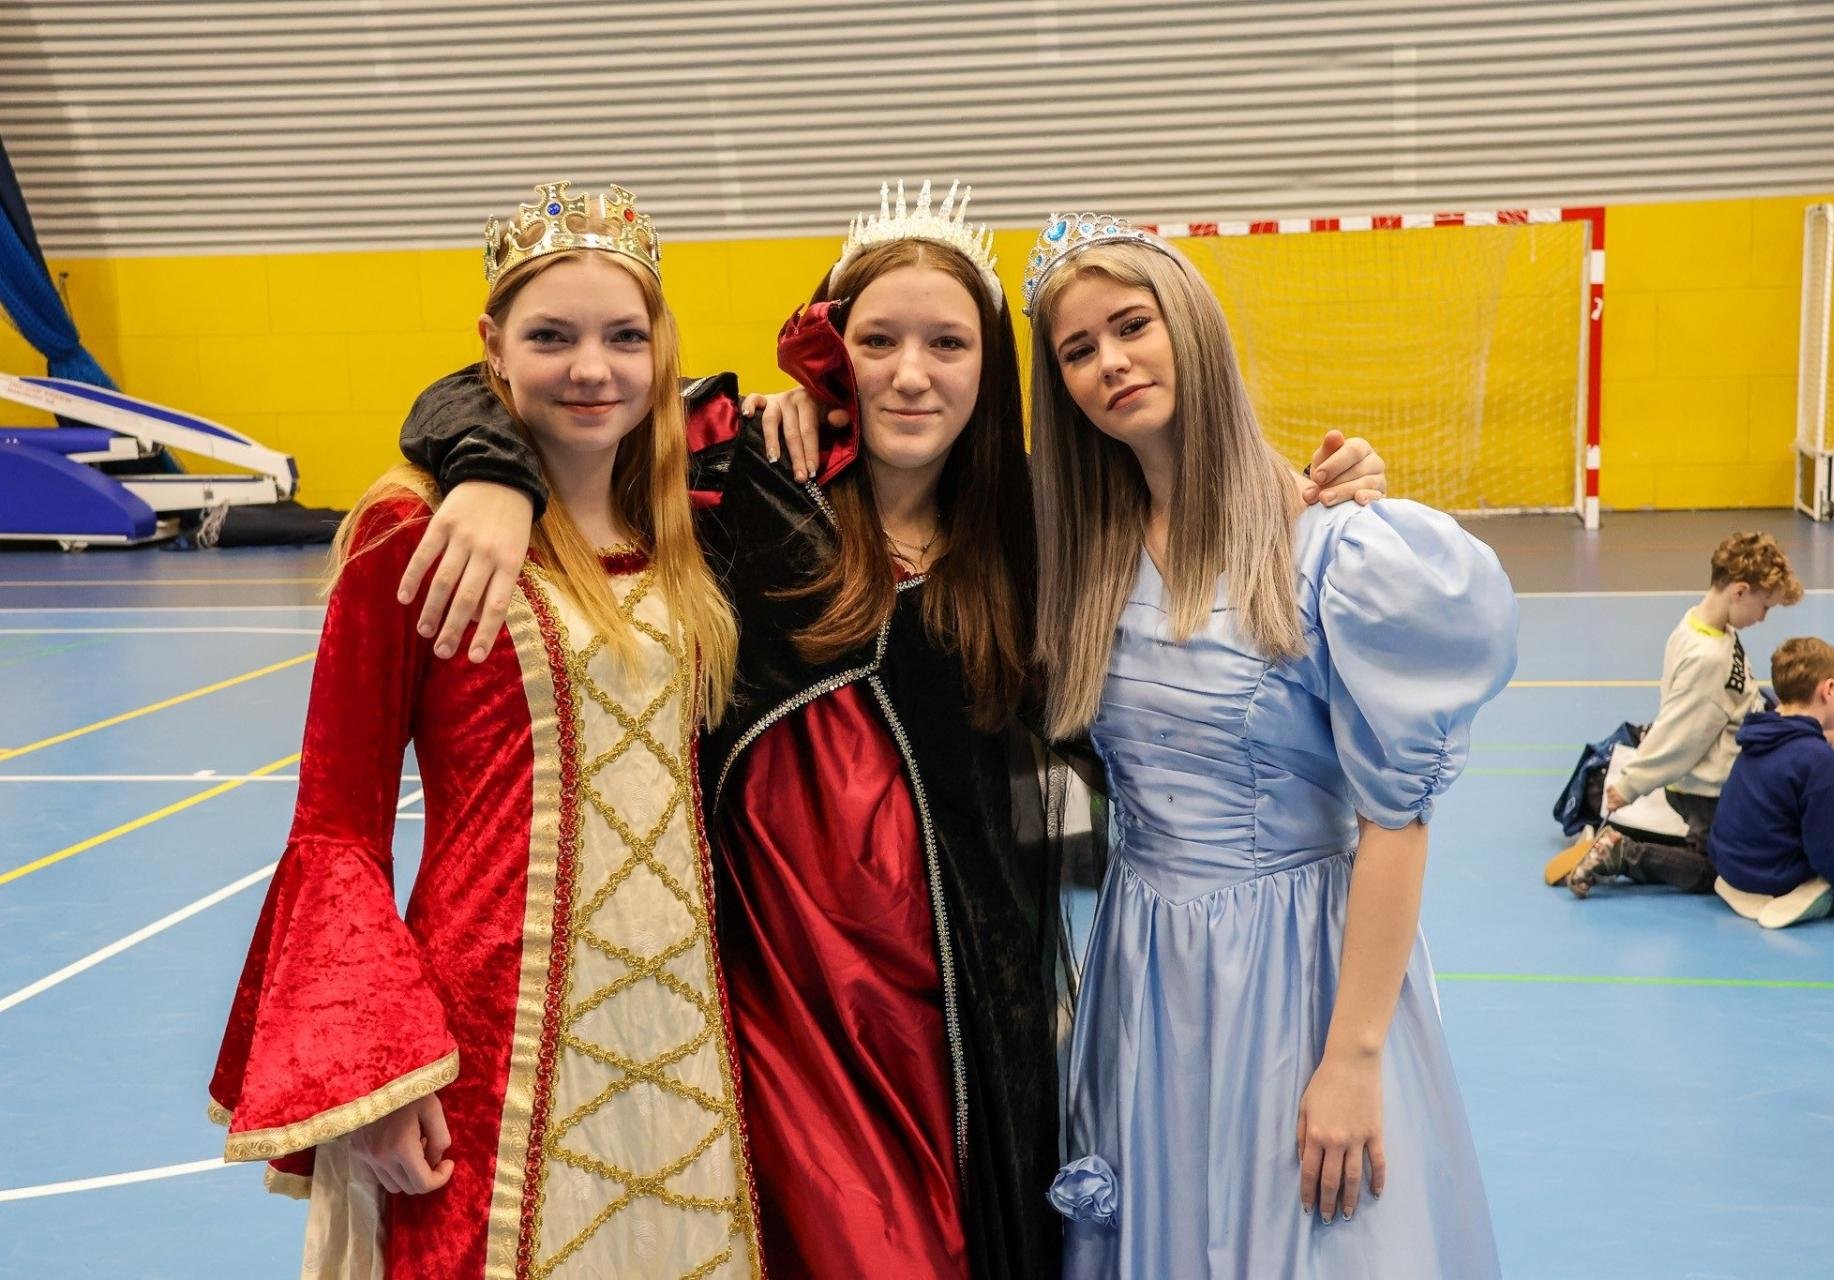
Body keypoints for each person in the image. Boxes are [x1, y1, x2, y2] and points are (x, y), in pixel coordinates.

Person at [390, 181, 1390, 1278]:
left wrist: (1324, 486)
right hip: (804, 1026)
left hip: (986, 1026)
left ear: (991, 370)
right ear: (832, 352)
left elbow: (1180, 481)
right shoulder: (748, 486)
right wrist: (488, 466)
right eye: (877, 341)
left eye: (948, 343)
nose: (911, 373)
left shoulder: (1038, 537)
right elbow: (556, 387)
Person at [209, 184, 757, 1277]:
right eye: (551, 336)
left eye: (625, 337)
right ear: (492, 347)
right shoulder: (408, 529)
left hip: (686, 1024)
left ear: (662, 350)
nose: (592, 369)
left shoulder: (692, 524)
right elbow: (337, 827)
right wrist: (383, 1069)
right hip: (489, 1035)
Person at [1022, 215, 1515, 1278]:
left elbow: (1396, 820)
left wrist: (1353, 1056)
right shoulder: (1083, 558)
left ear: (1190, 326)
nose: (1111, 363)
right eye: (1077, 349)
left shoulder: (1329, 544)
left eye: (1132, 325)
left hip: (1296, 970)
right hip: (1145, 967)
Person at [1560, 532, 1803, 898]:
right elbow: (1679, 736)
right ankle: (1624, 854)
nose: (1763, 617)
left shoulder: (1704, 624)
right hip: (1707, 790)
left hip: (1716, 775)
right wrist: (1629, 786)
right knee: (1715, 870)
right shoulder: (1709, 658)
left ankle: (1628, 840)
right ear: (1739, 592)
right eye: (1764, 606)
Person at [1709, 638, 1834, 928]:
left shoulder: (1760, 731)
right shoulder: (1820, 759)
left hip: (1729, 866)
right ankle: (1807, 898)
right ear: (1829, 689)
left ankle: (1748, 891)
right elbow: (1826, 848)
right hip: (1771, 876)